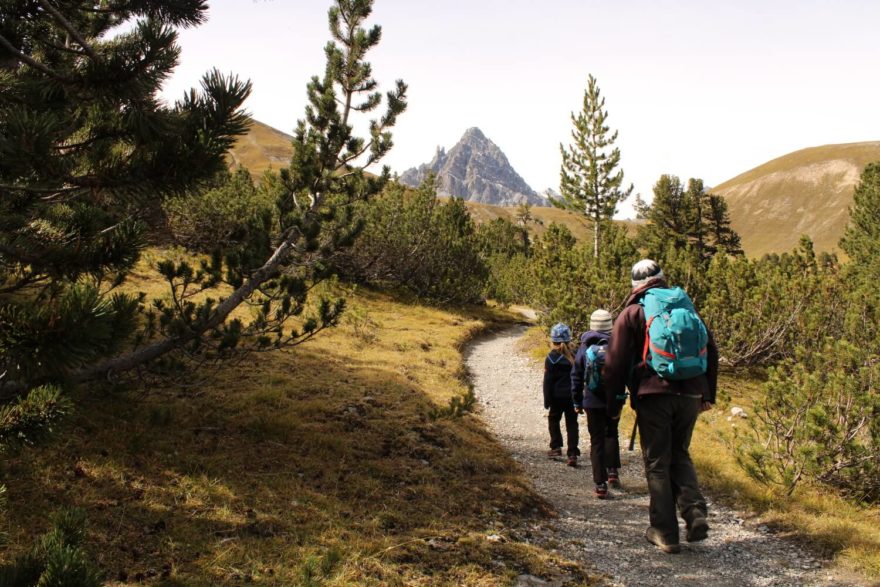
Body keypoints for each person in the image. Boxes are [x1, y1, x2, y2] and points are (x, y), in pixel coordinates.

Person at [603, 259, 718, 554]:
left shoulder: (632, 313)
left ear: (635, 285)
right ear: (662, 279)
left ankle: (665, 532)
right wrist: (707, 394)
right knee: (680, 453)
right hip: (691, 395)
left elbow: (614, 365)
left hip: (654, 396)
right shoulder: (686, 308)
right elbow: (711, 350)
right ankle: (694, 511)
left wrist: (614, 403)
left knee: (657, 463)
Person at [571, 309, 623, 499]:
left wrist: (577, 400)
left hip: (591, 400)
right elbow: (624, 372)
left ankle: (600, 484)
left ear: (592, 325)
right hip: (614, 399)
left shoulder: (585, 346)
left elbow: (576, 375)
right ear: (611, 325)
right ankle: (612, 472)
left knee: (596, 440)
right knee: (612, 432)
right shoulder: (617, 344)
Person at [543, 322, 580, 466]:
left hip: (556, 397)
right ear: (569, 339)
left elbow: (548, 381)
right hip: (572, 396)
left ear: (553, 341)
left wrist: (547, 399)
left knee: (553, 419)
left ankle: (556, 446)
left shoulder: (551, 358)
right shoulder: (575, 355)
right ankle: (572, 454)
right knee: (572, 423)